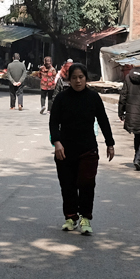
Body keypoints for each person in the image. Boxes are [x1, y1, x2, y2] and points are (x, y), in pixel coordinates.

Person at [48, 63, 115, 235]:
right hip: (65, 149)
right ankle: (70, 217)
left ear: (86, 78)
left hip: (88, 149)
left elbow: (103, 120)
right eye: (74, 78)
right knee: (67, 185)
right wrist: (56, 142)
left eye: (81, 77)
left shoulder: (93, 97)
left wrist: (110, 143)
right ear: (69, 80)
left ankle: (86, 217)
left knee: (87, 184)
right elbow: (54, 122)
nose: (78, 81)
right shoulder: (61, 98)